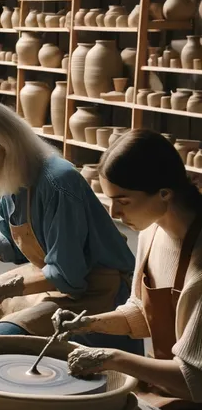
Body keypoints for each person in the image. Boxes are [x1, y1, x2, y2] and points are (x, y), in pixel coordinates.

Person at [0, 99, 142, 355]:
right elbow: (13, 243)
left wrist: (3, 289)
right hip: (54, 276)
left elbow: (69, 274)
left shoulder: (58, 182)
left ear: (4, 142)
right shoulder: (14, 175)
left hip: (95, 289)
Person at [53, 130, 202, 408]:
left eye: (122, 201)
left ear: (164, 193)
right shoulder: (151, 231)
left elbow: (193, 379)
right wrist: (87, 323)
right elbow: (142, 312)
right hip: (170, 386)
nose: (114, 213)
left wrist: (113, 359)